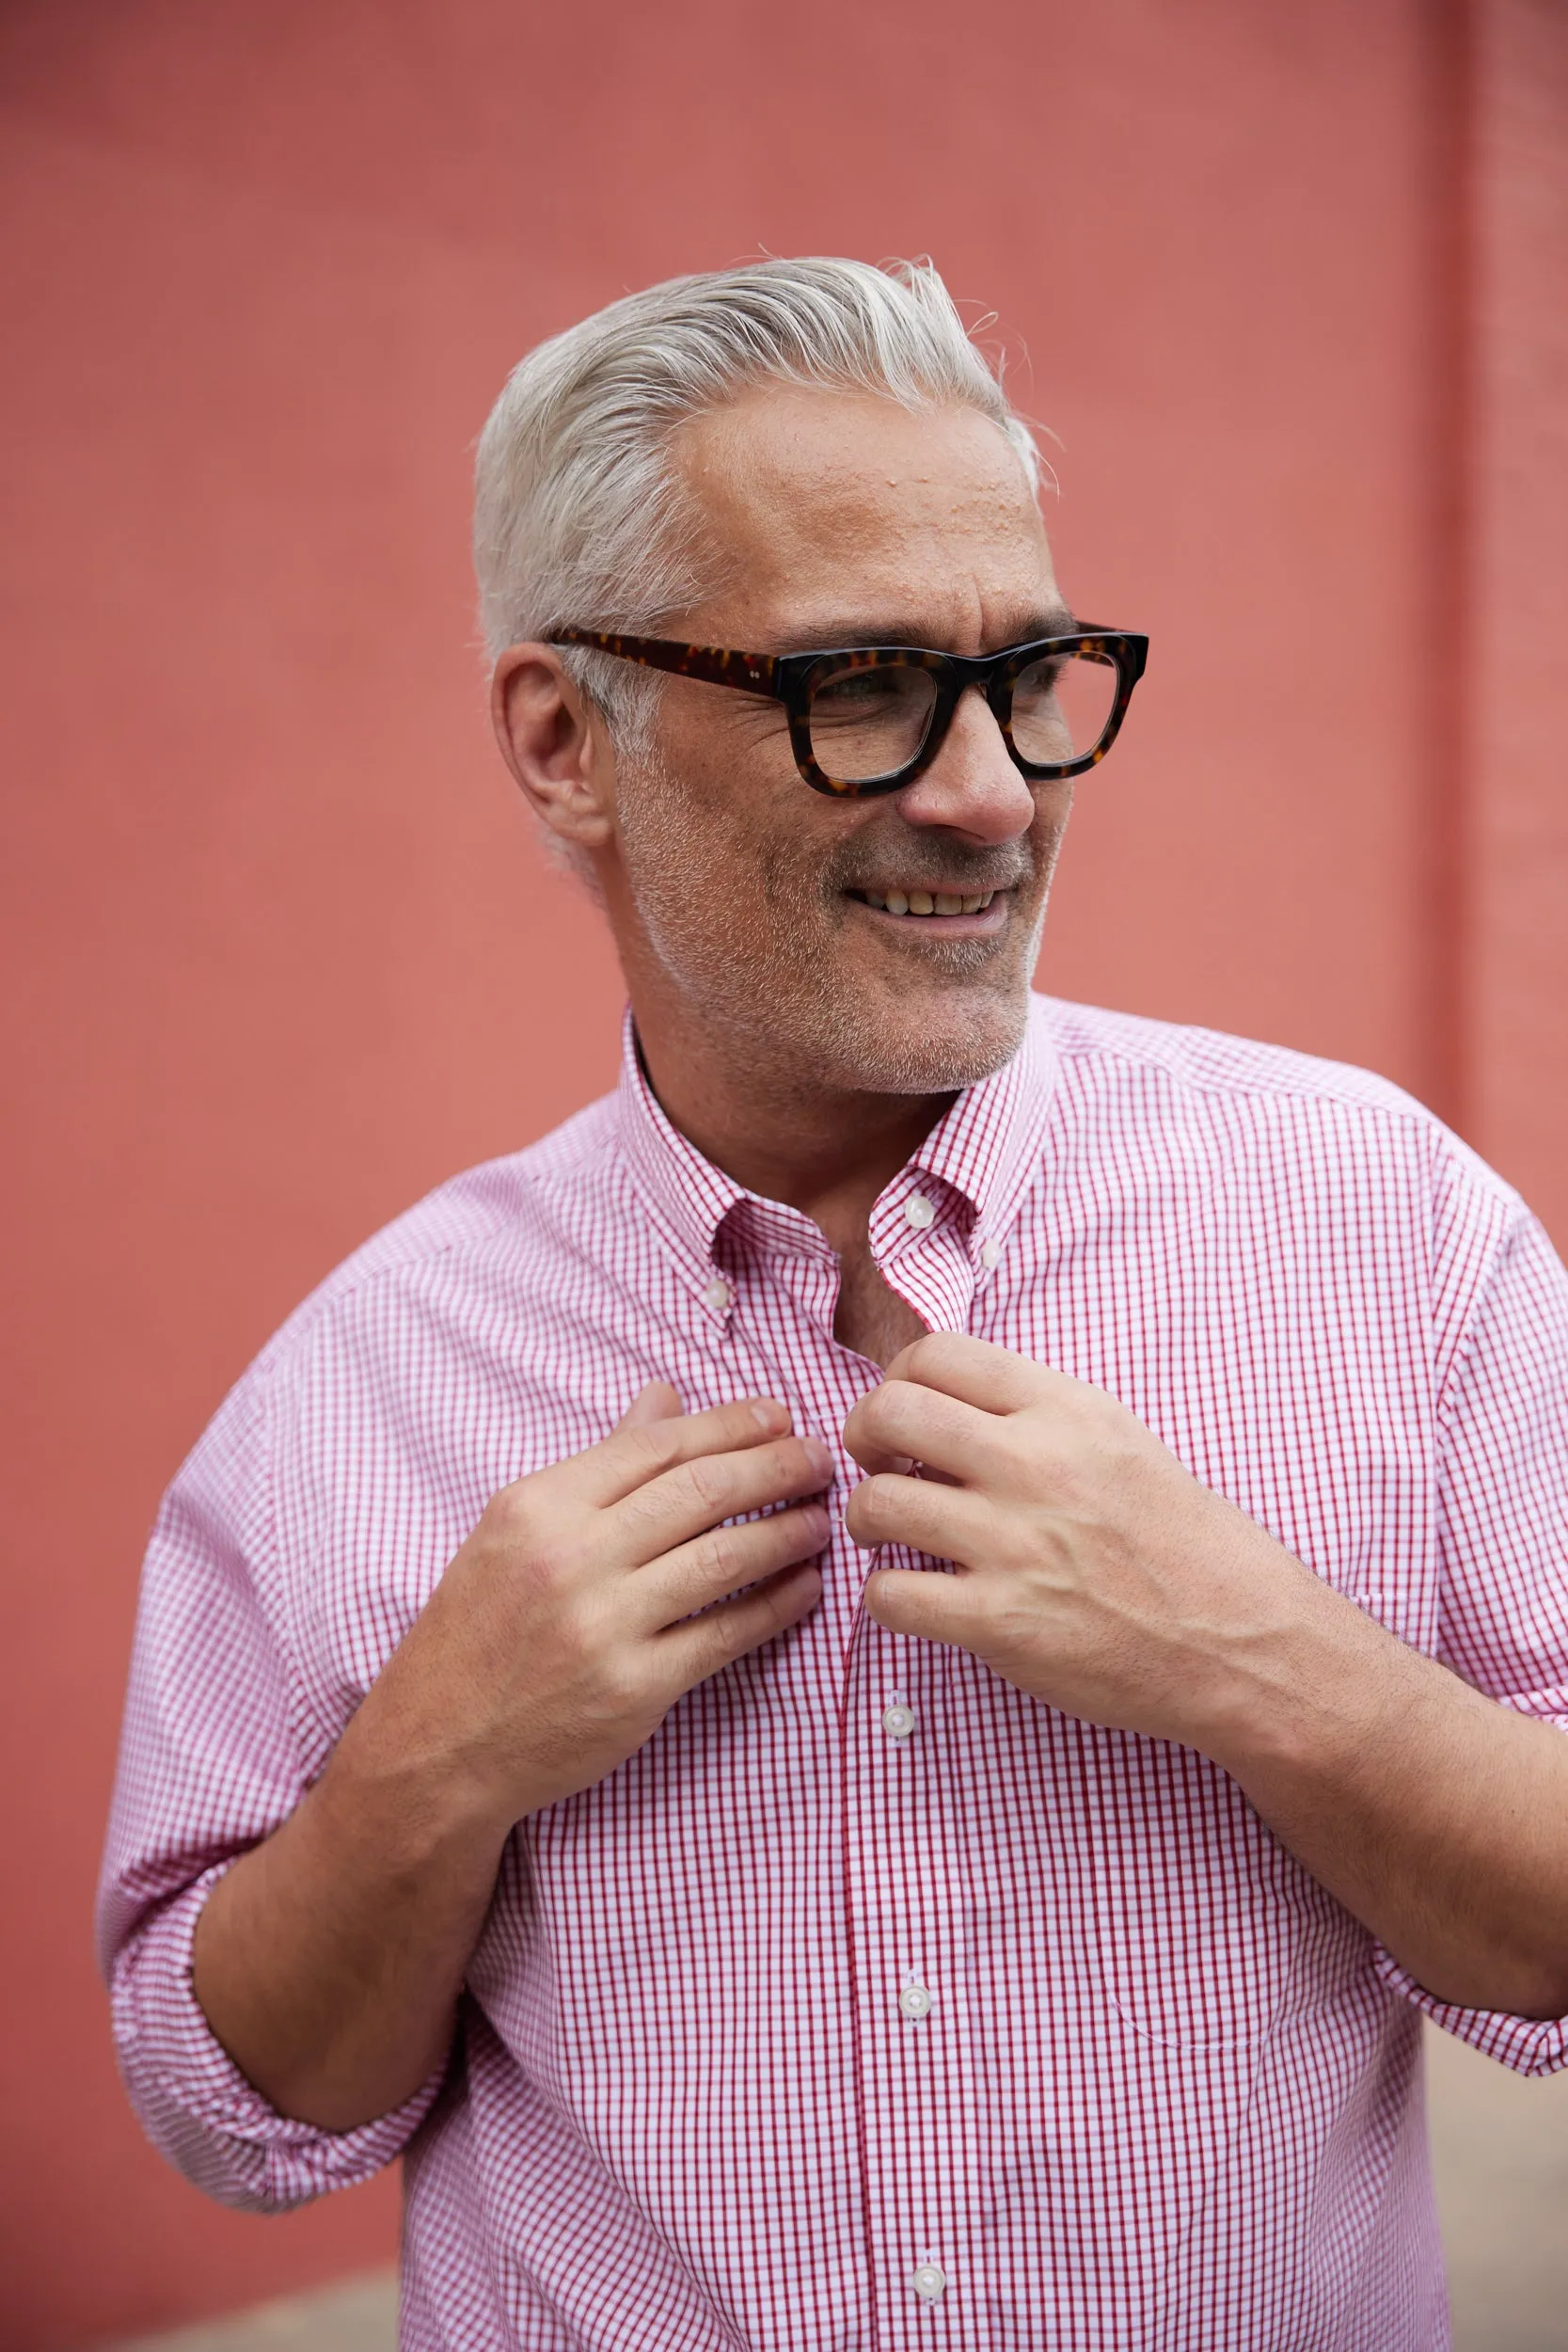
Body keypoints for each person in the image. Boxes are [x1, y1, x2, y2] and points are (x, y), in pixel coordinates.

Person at [100, 257, 1568, 2352]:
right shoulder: (366, 1383)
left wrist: (1265, 1660)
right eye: (860, 679)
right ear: (561, 738)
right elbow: (232, 2108)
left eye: (1030, 673)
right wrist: (431, 1767)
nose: (987, 787)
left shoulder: (1383, 1229)